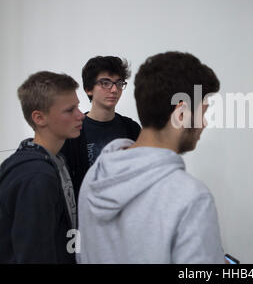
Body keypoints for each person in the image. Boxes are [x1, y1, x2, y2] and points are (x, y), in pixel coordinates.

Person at [77, 51, 225, 263]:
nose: (204, 123)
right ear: (181, 114)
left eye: (118, 83)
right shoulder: (191, 197)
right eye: (203, 112)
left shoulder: (95, 177)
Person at [0, 71, 85, 263]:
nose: (81, 115)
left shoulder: (56, 162)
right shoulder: (36, 177)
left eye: (78, 107)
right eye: (70, 110)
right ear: (39, 118)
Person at [60, 56, 141, 200]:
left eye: (119, 83)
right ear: (89, 89)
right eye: (106, 83)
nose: (114, 89)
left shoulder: (132, 129)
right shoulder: (74, 131)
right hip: (87, 216)